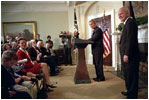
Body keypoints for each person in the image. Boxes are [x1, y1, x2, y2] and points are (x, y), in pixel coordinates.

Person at [118, 7, 140, 99]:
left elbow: (130, 40)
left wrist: (126, 54)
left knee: (131, 75)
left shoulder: (130, 23)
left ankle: (132, 95)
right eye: (118, 14)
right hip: (126, 55)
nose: (119, 16)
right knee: (127, 74)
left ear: (127, 13)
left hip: (130, 55)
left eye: (121, 13)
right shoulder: (126, 23)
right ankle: (129, 91)